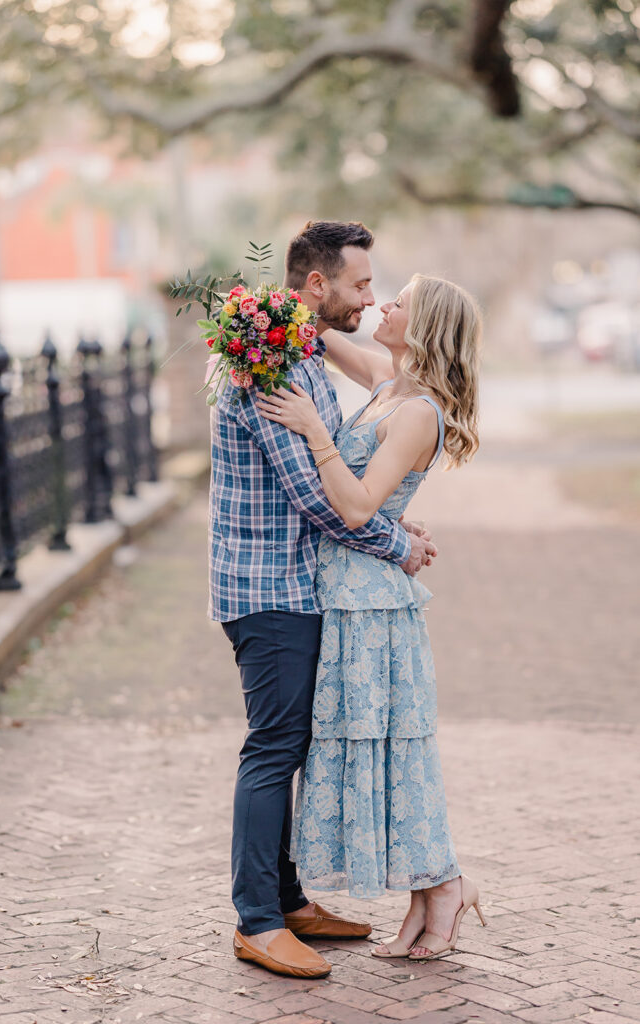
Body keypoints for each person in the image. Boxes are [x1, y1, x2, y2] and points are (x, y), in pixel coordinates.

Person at [208, 221, 437, 979]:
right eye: (361, 284)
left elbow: (339, 478)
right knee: (273, 748)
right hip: (267, 587)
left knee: (291, 744)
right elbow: (317, 499)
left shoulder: (297, 351)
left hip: (296, 584)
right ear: (316, 287)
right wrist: (398, 548)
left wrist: (388, 522)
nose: (370, 299)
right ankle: (257, 920)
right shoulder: (271, 366)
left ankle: (289, 900)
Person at [256, 272, 487, 961]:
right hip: (347, 592)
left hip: (373, 608)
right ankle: (429, 893)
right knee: (379, 751)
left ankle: (443, 886)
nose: (379, 306)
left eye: (397, 303)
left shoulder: (416, 412)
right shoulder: (388, 383)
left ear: (423, 329)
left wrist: (311, 430)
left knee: (393, 751)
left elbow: (356, 508)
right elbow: (319, 333)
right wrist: (268, 308)